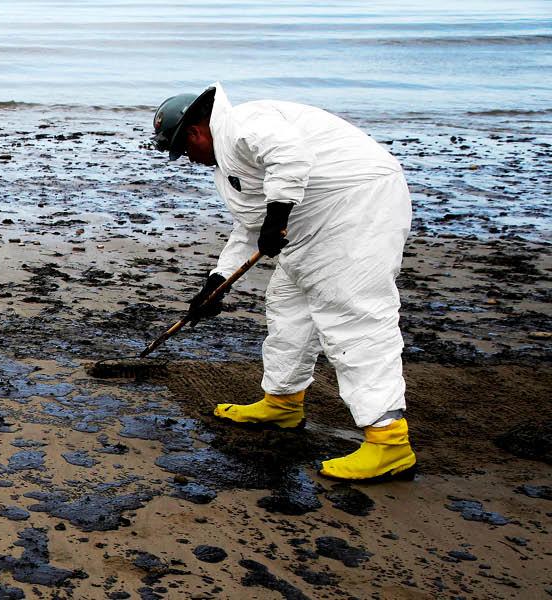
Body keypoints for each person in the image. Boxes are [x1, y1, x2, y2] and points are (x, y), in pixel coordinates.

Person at [150, 82, 416, 481]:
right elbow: (248, 228)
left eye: (184, 150)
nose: (188, 159)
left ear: (195, 131)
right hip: (311, 220)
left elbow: (290, 156)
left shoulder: (243, 123)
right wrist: (216, 283)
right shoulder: (230, 162)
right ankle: (283, 402)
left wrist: (278, 214)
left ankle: (389, 442)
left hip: (355, 207)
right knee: (288, 306)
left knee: (352, 317)